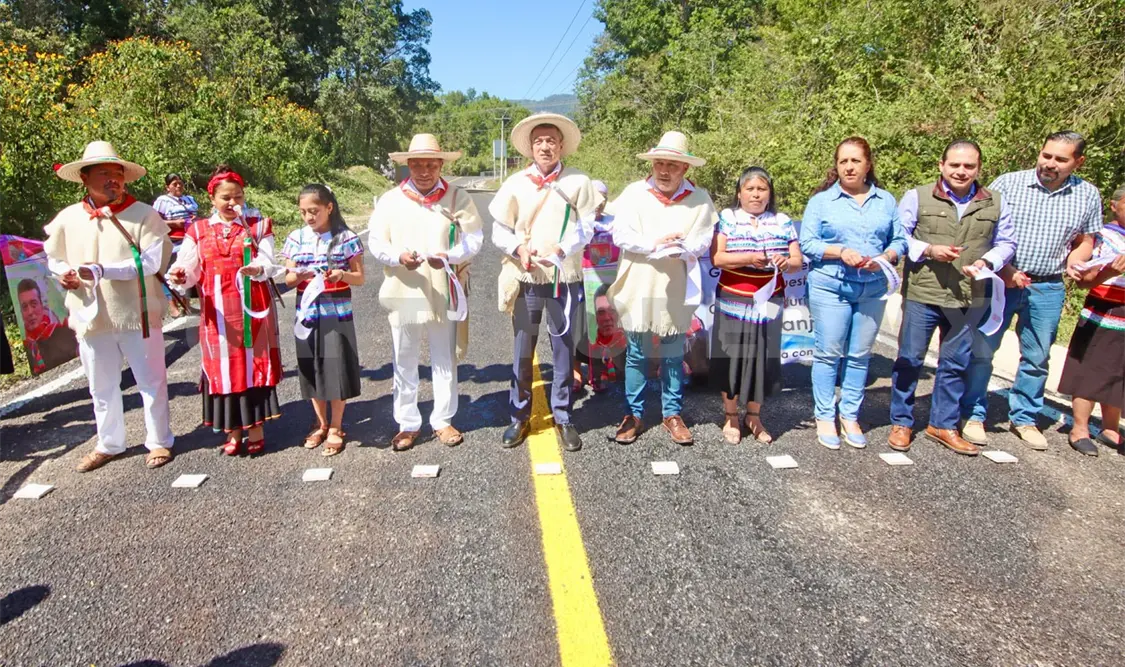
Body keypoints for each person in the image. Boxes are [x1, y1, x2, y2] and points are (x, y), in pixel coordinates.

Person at [961, 131, 1102, 450]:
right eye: (1046, 155)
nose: (1050, 164)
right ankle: (973, 413)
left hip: (1047, 286)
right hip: (1000, 281)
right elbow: (980, 230)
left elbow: (1087, 240)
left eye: (1060, 159)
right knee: (983, 349)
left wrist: (1076, 261)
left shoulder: (1088, 195)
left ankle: (1024, 418)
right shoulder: (1008, 183)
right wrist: (1006, 270)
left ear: (1078, 162)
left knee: (1037, 356)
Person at [44, 140, 174, 472]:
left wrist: (104, 271)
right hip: (90, 313)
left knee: (151, 380)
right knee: (100, 384)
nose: (112, 179)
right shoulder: (69, 218)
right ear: (85, 179)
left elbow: (149, 263)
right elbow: (53, 256)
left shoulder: (144, 214)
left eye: (117, 173)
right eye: (104, 173)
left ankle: (159, 441)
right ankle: (110, 443)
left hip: (137, 313)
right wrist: (64, 275)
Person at [887, 140, 1017, 455]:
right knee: (910, 359)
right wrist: (928, 250)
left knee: (956, 363)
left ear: (979, 169)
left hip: (970, 297)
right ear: (941, 166)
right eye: (955, 165)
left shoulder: (995, 202)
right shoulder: (917, 197)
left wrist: (989, 262)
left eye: (969, 166)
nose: (961, 171)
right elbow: (900, 236)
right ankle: (901, 422)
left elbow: (1007, 242)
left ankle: (942, 424)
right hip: (924, 292)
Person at [489, 113, 599, 452]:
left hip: (565, 278)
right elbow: (499, 230)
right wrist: (518, 247)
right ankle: (518, 416)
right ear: (530, 148)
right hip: (527, 279)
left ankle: (563, 416)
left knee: (564, 350)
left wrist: (562, 249)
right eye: (539, 141)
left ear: (562, 145)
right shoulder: (516, 183)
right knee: (523, 349)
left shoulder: (580, 181)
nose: (545, 146)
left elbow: (588, 226)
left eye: (551, 140)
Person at [370, 134, 483, 451]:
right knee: (404, 358)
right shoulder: (391, 200)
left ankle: (443, 420)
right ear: (408, 165)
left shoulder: (457, 198)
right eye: (417, 164)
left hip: (443, 287)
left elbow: (474, 239)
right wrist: (397, 258)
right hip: (405, 287)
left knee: (443, 356)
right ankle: (407, 423)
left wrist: (451, 255)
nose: (423, 171)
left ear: (440, 165)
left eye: (430, 164)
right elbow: (377, 242)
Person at [607, 131, 719, 446]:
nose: (664, 170)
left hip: (675, 285)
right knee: (637, 353)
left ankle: (672, 413)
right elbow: (622, 235)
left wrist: (683, 248)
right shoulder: (634, 193)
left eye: (672, 164)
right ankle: (634, 413)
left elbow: (702, 240)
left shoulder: (699, 199)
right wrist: (654, 244)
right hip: (639, 281)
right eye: (659, 163)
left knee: (672, 353)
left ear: (685, 169)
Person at [167, 165, 284, 456]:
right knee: (225, 368)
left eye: (239, 197)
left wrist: (258, 267)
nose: (233, 203)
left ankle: (256, 428)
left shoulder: (257, 224)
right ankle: (233, 431)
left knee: (252, 365)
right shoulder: (198, 230)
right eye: (226, 198)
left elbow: (268, 260)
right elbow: (189, 268)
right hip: (217, 315)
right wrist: (180, 274)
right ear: (212, 200)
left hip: (252, 309)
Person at [799, 136, 907, 449]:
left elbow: (899, 241)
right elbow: (808, 243)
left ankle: (849, 414)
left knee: (860, 356)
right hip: (831, 285)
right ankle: (824, 415)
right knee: (828, 353)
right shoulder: (821, 202)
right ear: (836, 166)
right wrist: (838, 251)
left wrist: (886, 258)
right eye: (843, 161)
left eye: (855, 161)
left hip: (872, 289)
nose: (849, 167)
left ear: (867, 165)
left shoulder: (885, 201)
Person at [709, 166, 802, 445]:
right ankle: (731, 416)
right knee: (733, 356)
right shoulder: (727, 219)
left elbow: (797, 261)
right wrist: (749, 256)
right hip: (734, 297)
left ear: (769, 193)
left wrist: (786, 262)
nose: (756, 194)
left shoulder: (782, 222)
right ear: (739, 193)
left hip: (770, 300)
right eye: (750, 189)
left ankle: (754, 415)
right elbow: (718, 258)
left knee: (764, 354)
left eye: (761, 189)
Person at [281, 184, 366, 457]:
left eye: (314, 211)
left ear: (329, 208)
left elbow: (360, 278)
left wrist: (341, 275)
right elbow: (288, 278)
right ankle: (320, 423)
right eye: (304, 212)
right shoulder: (296, 238)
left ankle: (337, 426)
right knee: (312, 368)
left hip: (336, 315)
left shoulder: (346, 238)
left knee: (335, 369)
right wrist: (303, 275)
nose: (308, 217)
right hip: (307, 315)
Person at [1058, 185, 1125, 456]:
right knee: (1091, 368)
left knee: (1120, 370)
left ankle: (1111, 428)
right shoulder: (1101, 237)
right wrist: (1108, 270)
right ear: (1114, 205)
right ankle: (1080, 428)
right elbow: (1083, 281)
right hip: (1103, 309)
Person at [575, 179, 618, 393]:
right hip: (587, 282)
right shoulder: (581, 224)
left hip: (611, 280)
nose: (599, 205)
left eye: (602, 199)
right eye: (595, 199)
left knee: (612, 323)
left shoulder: (614, 222)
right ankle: (594, 373)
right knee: (592, 326)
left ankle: (612, 365)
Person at [153, 173, 200, 317]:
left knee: (187, 271)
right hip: (173, 242)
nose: (178, 186)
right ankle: (172, 306)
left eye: (180, 183)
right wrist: (175, 223)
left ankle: (186, 304)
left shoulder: (189, 199)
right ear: (168, 187)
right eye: (174, 184)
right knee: (171, 273)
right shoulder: (162, 201)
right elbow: (154, 221)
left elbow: (196, 216)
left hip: (190, 241)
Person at [17, 278, 78, 373]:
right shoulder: (28, 345)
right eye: (24, 307)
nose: (30, 312)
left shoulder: (64, 332)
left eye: (34, 304)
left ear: (41, 305)